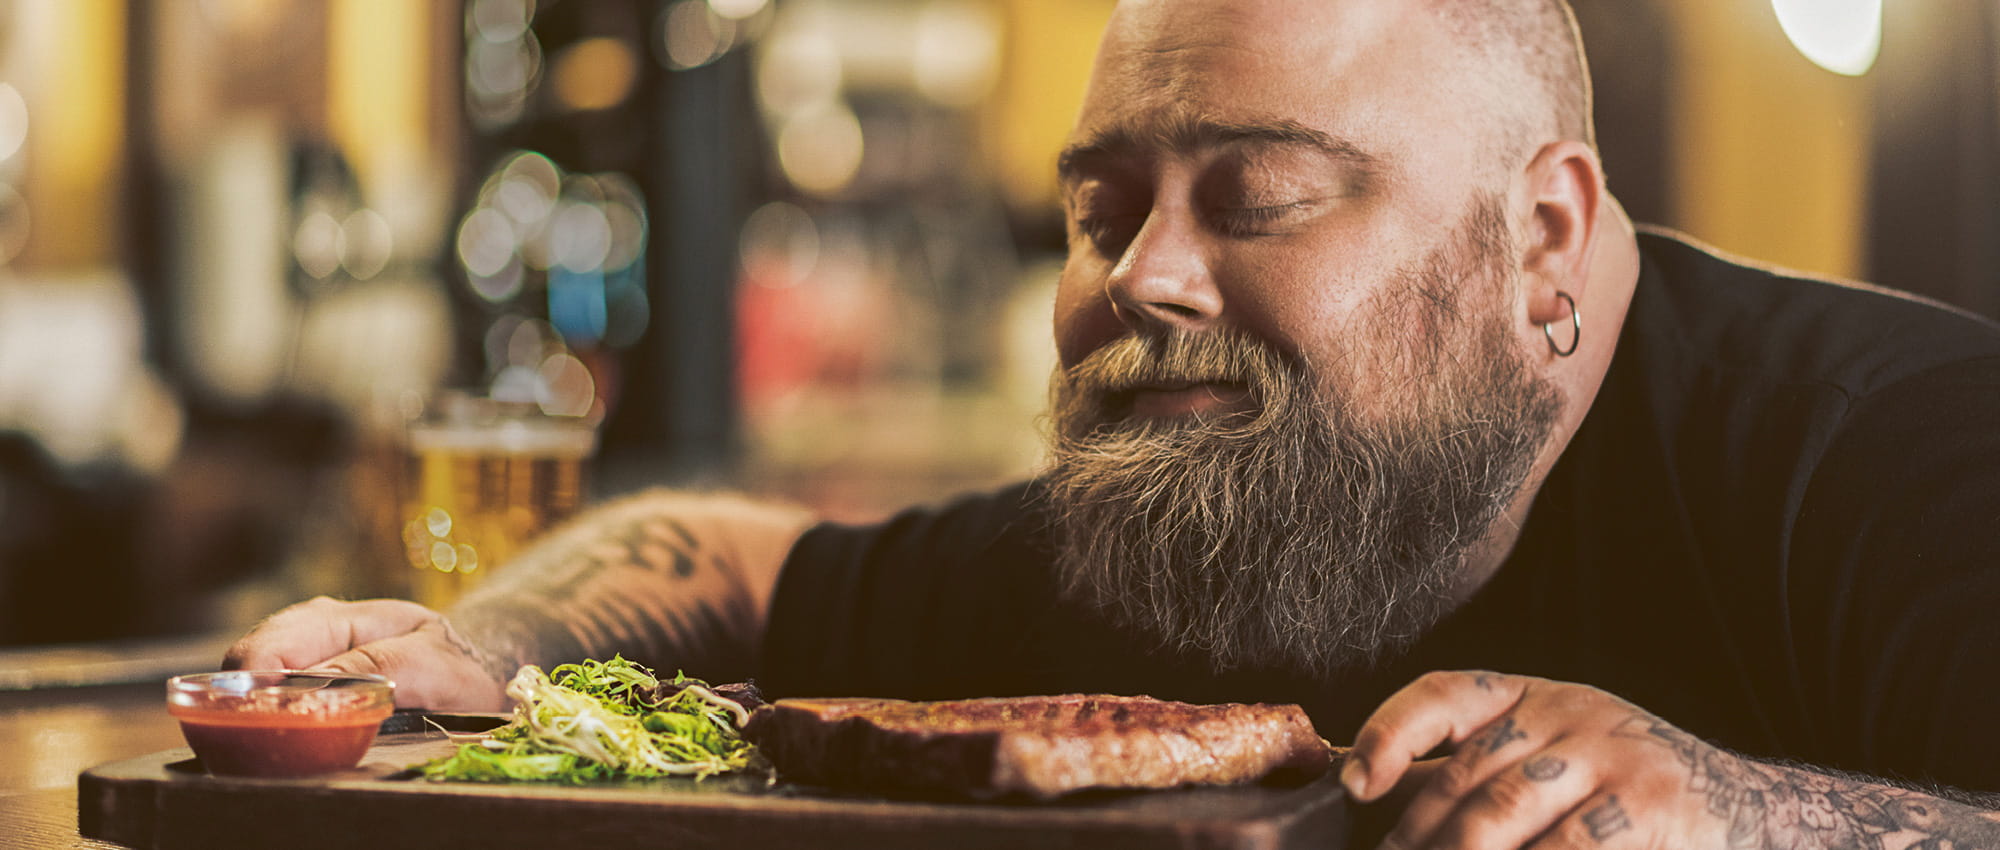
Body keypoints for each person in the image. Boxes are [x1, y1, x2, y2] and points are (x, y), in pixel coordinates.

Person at [231, 0, 2000, 846]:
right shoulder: (1198, 510)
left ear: (1541, 237)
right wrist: (492, 641)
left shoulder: (1904, 457)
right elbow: (745, 562)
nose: (1140, 279)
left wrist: (1764, 814)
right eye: (1101, 210)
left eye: (1261, 196)